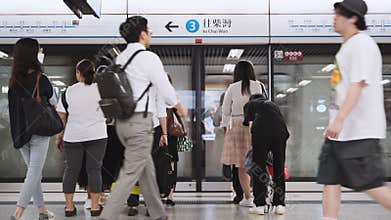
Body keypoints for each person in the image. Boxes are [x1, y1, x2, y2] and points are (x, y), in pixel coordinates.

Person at [99, 16, 187, 220]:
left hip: (121, 123)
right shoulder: (148, 58)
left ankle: (158, 213)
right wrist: (179, 106)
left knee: (146, 169)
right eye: (149, 31)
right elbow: (164, 86)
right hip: (140, 122)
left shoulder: (120, 58)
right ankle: (107, 216)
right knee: (130, 174)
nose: (150, 35)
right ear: (142, 34)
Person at [317, 1, 391, 220]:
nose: (334, 18)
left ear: (353, 18)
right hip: (341, 133)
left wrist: (339, 119)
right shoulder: (348, 46)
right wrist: (336, 120)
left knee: (370, 185)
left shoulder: (362, 44)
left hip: (359, 131)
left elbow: (358, 84)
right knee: (329, 179)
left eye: (339, 14)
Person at [8, 38, 55, 220]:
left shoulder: (13, 82)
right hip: (39, 130)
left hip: (21, 133)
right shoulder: (41, 79)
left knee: (33, 172)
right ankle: (18, 212)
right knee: (35, 172)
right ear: (34, 55)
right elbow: (53, 101)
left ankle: (42, 210)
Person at [56, 59, 108, 217]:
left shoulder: (69, 91)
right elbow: (110, 111)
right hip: (98, 135)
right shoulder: (102, 90)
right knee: (94, 170)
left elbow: (62, 116)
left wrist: (59, 137)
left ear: (79, 74)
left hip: (73, 137)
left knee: (71, 170)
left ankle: (69, 207)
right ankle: (94, 207)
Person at [220, 60, 263, 207]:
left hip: (238, 125)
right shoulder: (259, 85)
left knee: (241, 165)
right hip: (256, 125)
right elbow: (265, 105)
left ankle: (247, 197)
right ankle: (260, 196)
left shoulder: (232, 87)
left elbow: (225, 111)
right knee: (258, 162)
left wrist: (226, 129)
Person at [243, 93, 289, 215]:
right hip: (281, 132)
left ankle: (260, 204)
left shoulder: (250, 104)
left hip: (261, 132)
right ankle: (279, 205)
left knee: (259, 167)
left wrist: (251, 145)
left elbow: (250, 125)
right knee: (279, 167)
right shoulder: (272, 104)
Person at [213, 92, 244, 204]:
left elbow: (215, 122)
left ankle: (227, 176)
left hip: (225, 140)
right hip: (237, 140)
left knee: (227, 162)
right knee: (237, 167)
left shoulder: (221, 109)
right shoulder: (238, 108)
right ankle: (240, 192)